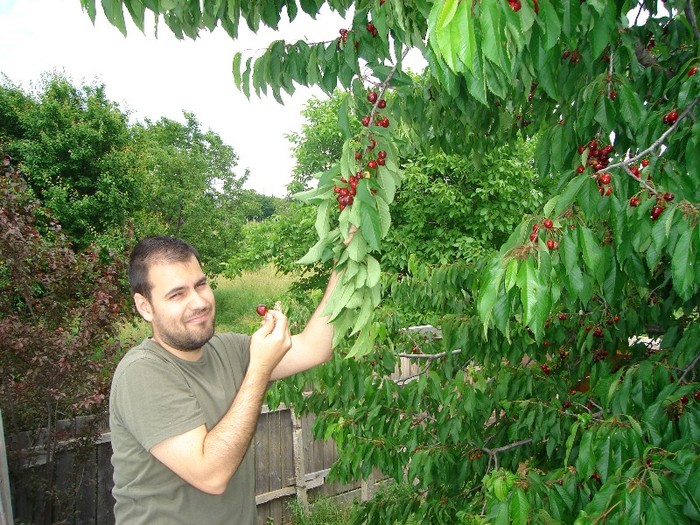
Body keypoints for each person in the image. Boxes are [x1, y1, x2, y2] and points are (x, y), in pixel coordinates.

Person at [109, 235, 342, 524]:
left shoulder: (228, 349)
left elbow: (313, 347)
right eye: (177, 294)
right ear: (145, 306)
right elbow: (211, 474)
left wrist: (344, 261)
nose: (198, 302)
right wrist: (259, 367)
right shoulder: (142, 372)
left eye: (201, 284)